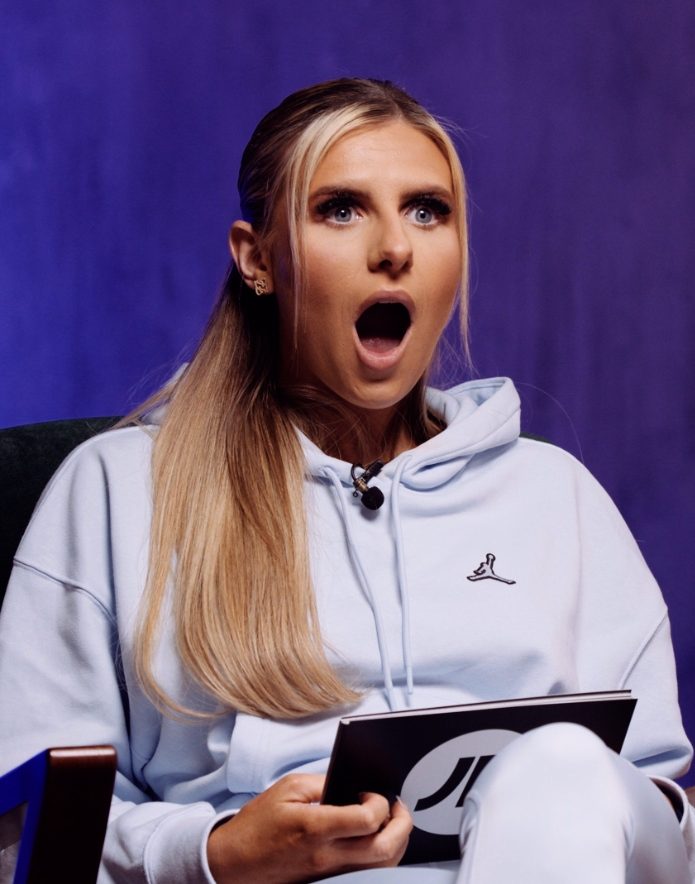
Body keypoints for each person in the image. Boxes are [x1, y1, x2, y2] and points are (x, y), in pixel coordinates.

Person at [0, 78, 692, 884]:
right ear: (258, 259)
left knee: (563, 767)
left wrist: (567, 798)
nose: (394, 246)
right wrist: (217, 852)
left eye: (426, 210)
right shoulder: (116, 491)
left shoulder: (556, 495)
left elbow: (654, 797)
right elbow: (25, 825)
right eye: (340, 209)